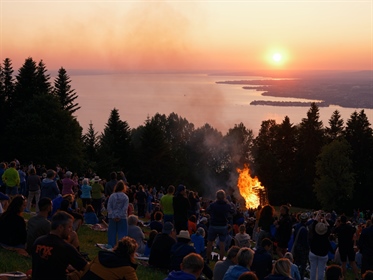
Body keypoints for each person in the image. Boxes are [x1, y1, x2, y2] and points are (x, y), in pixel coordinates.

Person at [31, 211, 88, 280]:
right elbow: (86, 267)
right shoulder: (66, 247)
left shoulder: (38, 241)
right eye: (69, 227)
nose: (71, 230)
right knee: (80, 273)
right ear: (60, 227)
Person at [206, 189, 235, 262]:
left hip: (213, 225)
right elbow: (233, 211)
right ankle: (221, 260)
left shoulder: (213, 205)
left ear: (216, 197)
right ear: (224, 197)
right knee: (222, 243)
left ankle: (208, 258)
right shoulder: (227, 205)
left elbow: (207, 210)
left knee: (210, 242)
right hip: (223, 226)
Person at [333, 215, 360, 279]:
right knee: (352, 262)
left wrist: (336, 223)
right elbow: (355, 230)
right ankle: (356, 276)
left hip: (342, 246)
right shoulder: (350, 227)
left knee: (343, 263)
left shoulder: (339, 228)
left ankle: (344, 277)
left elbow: (333, 231)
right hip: (350, 246)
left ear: (340, 221)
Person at [308, 210, 332, 280]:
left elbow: (314, 222)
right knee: (321, 270)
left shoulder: (314, 232)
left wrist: (318, 214)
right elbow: (328, 226)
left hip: (313, 252)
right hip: (323, 254)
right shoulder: (326, 234)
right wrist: (324, 219)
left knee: (313, 269)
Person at [107, 180, 129, 248]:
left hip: (112, 216)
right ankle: (121, 246)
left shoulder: (112, 196)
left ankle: (111, 246)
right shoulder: (125, 197)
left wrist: (113, 215)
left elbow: (109, 206)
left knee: (112, 233)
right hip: (122, 217)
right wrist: (119, 215)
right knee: (122, 233)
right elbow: (124, 208)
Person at [292, 212, 309, 280]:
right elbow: (305, 241)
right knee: (303, 264)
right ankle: (300, 277)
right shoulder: (304, 229)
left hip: (296, 246)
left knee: (296, 262)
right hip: (303, 247)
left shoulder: (296, 226)